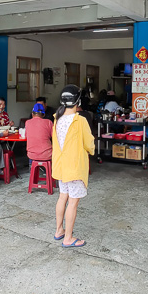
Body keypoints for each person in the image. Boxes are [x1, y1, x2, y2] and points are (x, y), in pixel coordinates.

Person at [52, 84, 95, 248]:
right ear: (78, 100)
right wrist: (91, 150)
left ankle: (59, 230)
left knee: (62, 197)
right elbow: (89, 143)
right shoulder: (80, 120)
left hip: (61, 166)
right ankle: (68, 238)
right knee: (73, 203)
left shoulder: (57, 118)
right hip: (74, 167)